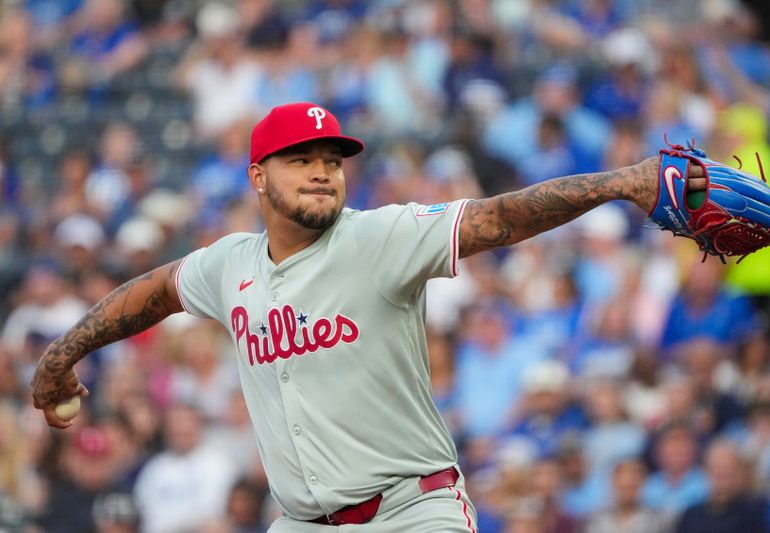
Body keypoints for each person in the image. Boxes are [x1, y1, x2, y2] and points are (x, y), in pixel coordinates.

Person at [31, 101, 704, 531]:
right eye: (302, 160)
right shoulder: (228, 264)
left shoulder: (381, 235)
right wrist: (64, 353)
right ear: (258, 177)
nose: (324, 171)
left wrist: (618, 183)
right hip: (300, 521)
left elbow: (497, 216)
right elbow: (152, 291)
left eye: (332, 160)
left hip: (412, 511)